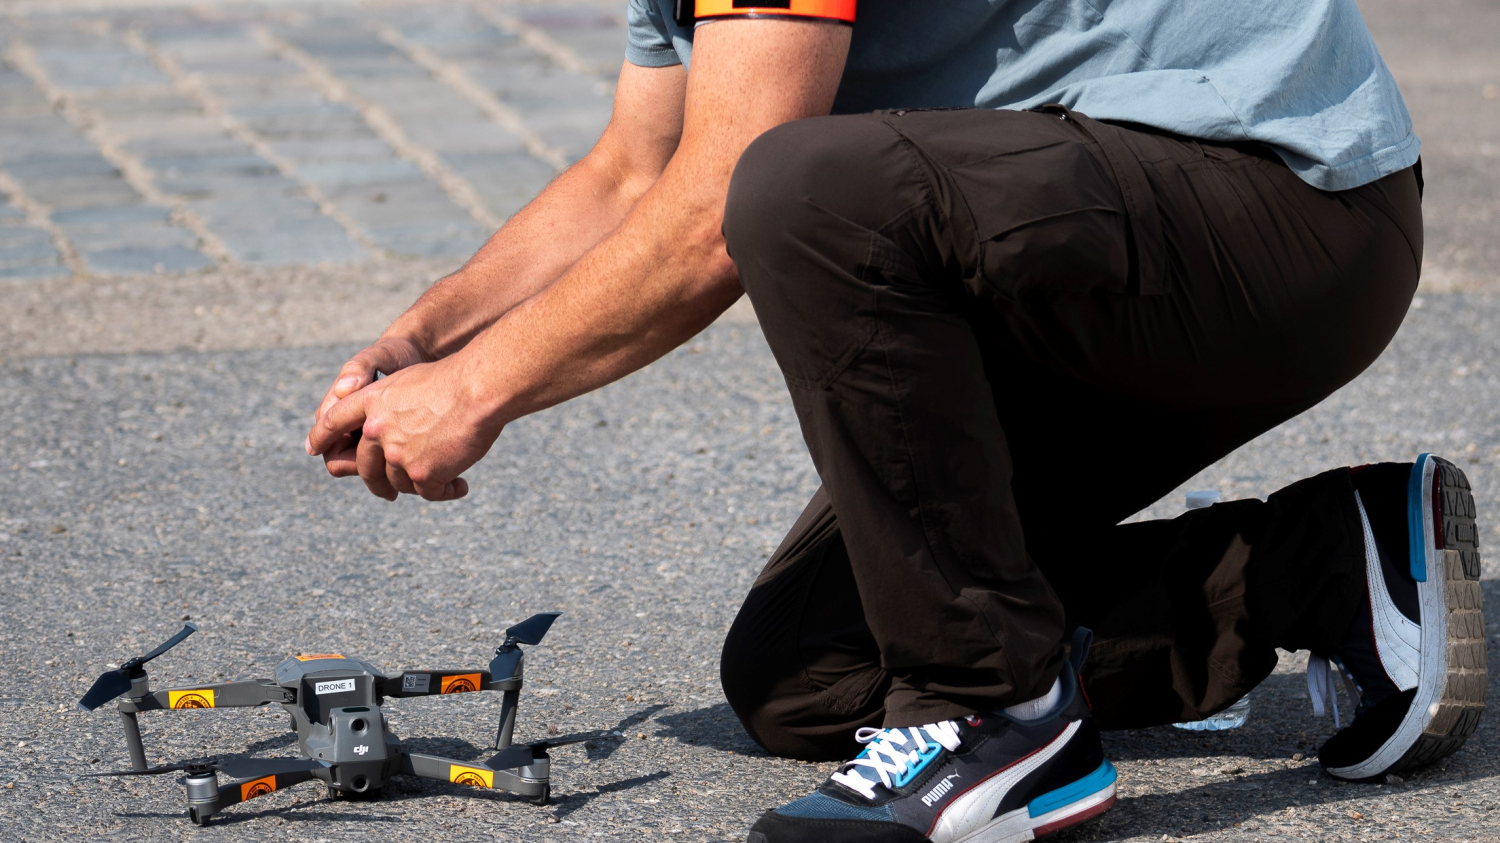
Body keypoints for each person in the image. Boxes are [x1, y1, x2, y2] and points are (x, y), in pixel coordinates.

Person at [305, 2, 1488, 840]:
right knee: (810, 674)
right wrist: (426, 343)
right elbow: (634, 167)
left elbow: (718, 209)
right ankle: (1329, 564)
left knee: (807, 190)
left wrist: (474, 395)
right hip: (1080, 248)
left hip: (1278, 214)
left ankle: (996, 720)